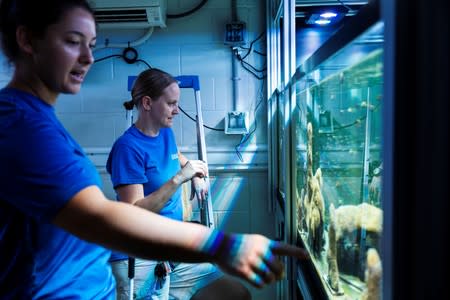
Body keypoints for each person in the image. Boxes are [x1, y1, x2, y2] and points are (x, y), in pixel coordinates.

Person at [0, 0, 309, 298]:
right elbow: (104, 217)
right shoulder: (23, 128)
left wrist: (195, 173)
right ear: (27, 39)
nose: (88, 57)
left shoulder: (38, 121)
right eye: (72, 41)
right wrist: (222, 245)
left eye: (92, 45)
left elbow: (174, 159)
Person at [107, 68, 250, 300]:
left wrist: (194, 174)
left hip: (172, 250)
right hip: (139, 257)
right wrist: (179, 178)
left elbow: (176, 158)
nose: (177, 111)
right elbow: (132, 212)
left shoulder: (164, 134)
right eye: (171, 103)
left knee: (235, 294)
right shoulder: (127, 148)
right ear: (147, 103)